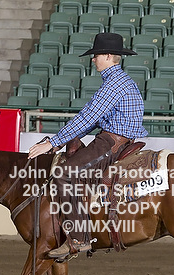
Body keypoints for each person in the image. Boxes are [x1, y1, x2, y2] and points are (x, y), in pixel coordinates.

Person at [28, 32, 148, 259]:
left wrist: (52, 142)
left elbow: (86, 118)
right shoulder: (122, 81)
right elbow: (91, 121)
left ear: (108, 56)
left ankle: (78, 238)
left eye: (97, 55)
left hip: (110, 142)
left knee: (63, 174)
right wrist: (59, 143)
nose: (93, 59)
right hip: (118, 140)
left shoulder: (113, 84)